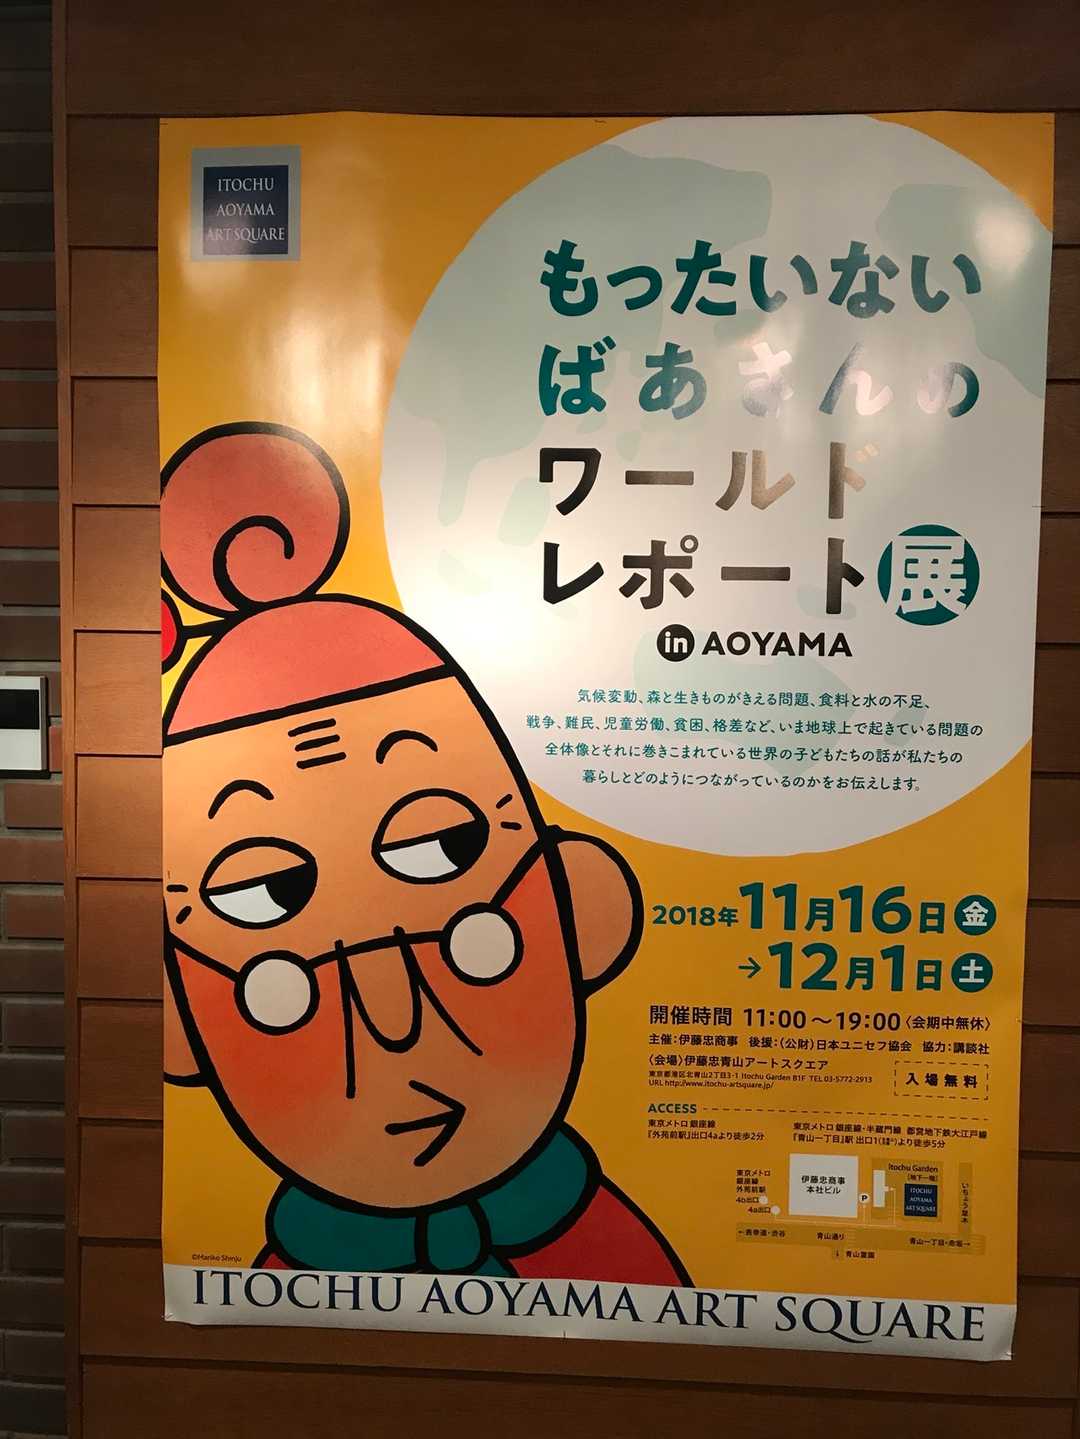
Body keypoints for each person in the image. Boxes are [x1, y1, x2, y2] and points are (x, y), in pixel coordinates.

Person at [161, 421, 688, 1285]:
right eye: (258, 892)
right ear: (183, 1020)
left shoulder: (601, 1242)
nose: (391, 1012)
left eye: (441, 844)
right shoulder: (263, 1290)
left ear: (577, 902)